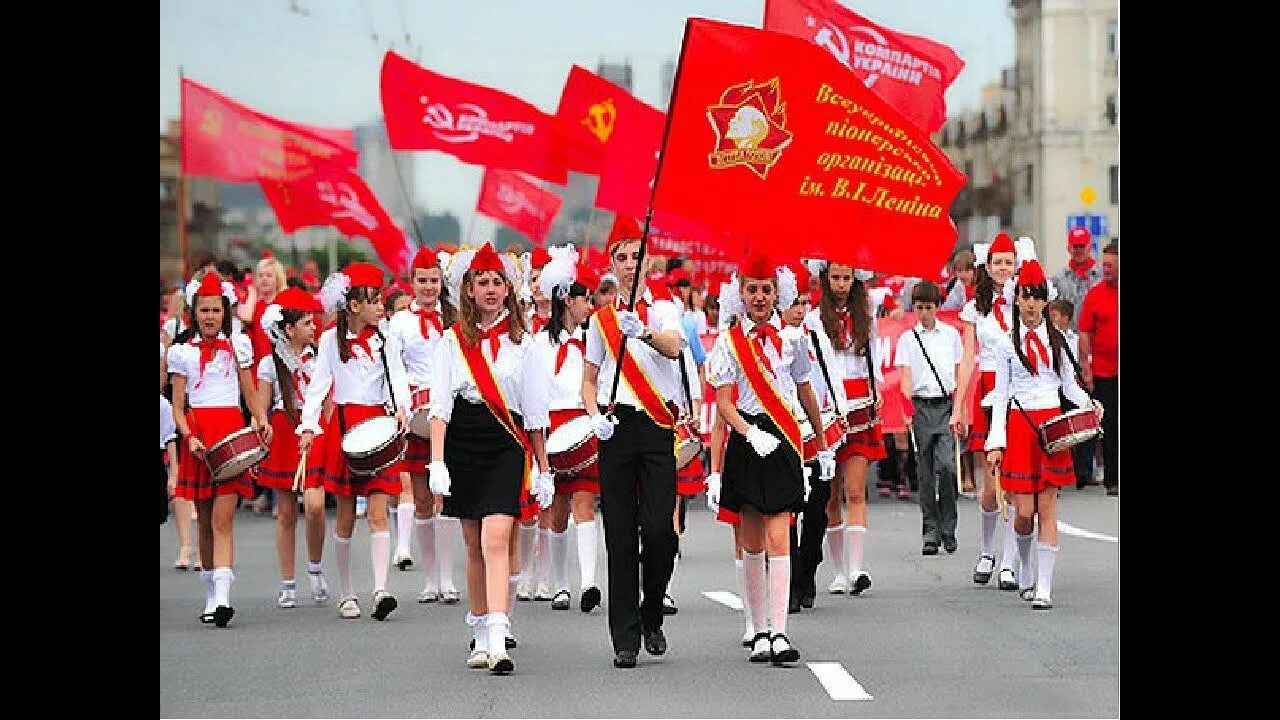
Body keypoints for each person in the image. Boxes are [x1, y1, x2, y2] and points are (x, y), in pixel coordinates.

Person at [428, 242, 554, 674]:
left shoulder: (526, 343)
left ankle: (500, 637)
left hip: (505, 442)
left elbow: (535, 411)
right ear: (468, 290)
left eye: (497, 282)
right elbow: (440, 406)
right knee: (472, 544)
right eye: (482, 282)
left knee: (495, 537)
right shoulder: (450, 340)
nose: (490, 289)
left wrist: (544, 467)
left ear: (509, 288)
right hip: (463, 438)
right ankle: (480, 632)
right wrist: (437, 462)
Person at [705, 257, 835, 665]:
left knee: (780, 535)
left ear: (777, 293)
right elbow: (723, 405)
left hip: (783, 439)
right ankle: (757, 628)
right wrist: (746, 434)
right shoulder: (728, 342)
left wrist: (823, 444)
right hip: (748, 439)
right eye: (751, 289)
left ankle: (779, 631)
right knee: (752, 540)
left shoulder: (795, 339)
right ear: (740, 294)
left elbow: (805, 390)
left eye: (765, 289)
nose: (759, 297)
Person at [581, 216, 685, 669]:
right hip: (617, 426)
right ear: (611, 265)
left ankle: (652, 609)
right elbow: (588, 379)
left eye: (635, 257)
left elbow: (675, 347)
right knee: (620, 532)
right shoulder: (601, 321)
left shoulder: (664, 308)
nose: (629, 265)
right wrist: (592, 415)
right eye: (621, 258)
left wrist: (640, 330)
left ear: (650, 262)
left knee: (661, 530)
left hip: (657, 425)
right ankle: (625, 636)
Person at [297, 262, 413, 622]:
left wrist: (403, 410)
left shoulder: (386, 339)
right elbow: (318, 385)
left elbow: (399, 379)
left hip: (378, 425)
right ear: (353, 306)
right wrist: (308, 425)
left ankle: (380, 589)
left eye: (381, 300)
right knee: (345, 516)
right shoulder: (331, 340)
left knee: (379, 511)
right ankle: (347, 593)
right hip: (345, 428)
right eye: (374, 300)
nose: (381, 307)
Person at [985, 259, 1103, 609]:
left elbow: (1070, 385)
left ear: (1045, 301)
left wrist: (1089, 404)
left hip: (1052, 426)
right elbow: (1001, 396)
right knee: (1024, 513)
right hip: (1020, 428)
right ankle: (1024, 568)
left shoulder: (1059, 340)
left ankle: (1044, 587)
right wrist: (996, 442)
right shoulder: (1005, 344)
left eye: (1037, 296)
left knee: (1047, 507)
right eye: (1026, 296)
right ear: (1016, 299)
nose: (1032, 303)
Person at [167, 271, 263, 627]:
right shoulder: (182, 353)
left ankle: (223, 599)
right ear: (194, 313)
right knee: (204, 522)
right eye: (204, 310)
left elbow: (250, 391)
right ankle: (210, 594)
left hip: (230, 438)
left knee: (223, 519)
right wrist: (188, 435)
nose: (210, 317)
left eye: (216, 310)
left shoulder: (237, 348)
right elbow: (178, 404)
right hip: (199, 440)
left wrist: (260, 418)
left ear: (225, 312)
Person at [525, 245, 603, 613]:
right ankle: (559, 584)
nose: (590, 304)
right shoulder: (538, 343)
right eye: (584, 298)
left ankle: (588, 581)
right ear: (565, 299)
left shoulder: (592, 341)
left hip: (583, 424)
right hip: (550, 427)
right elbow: (534, 395)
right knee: (556, 508)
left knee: (585, 501)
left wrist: (598, 416)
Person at [385, 248, 462, 603]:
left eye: (434, 280)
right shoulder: (399, 323)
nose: (428, 287)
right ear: (411, 282)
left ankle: (448, 578)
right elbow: (395, 368)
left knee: (445, 496)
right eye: (422, 281)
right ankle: (430, 580)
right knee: (420, 499)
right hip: (415, 414)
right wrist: (402, 406)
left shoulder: (455, 318)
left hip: (449, 416)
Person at [805, 260, 885, 596]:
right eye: (835, 277)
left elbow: (875, 356)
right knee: (830, 494)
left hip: (860, 404)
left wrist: (876, 385)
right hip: (827, 406)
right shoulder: (813, 318)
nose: (840, 284)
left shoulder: (867, 315)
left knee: (855, 489)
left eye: (846, 278)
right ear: (825, 279)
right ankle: (838, 571)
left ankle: (856, 569)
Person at [251, 287, 333, 608]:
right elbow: (261, 400)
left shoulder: (320, 356)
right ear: (289, 329)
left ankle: (314, 567)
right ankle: (288, 581)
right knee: (285, 510)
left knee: (314, 504)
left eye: (314, 323)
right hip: (284, 430)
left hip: (313, 430)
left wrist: (321, 427)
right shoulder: (271, 363)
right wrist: (262, 422)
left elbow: (327, 399)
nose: (314, 328)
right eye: (307, 324)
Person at [957, 233, 1021, 590]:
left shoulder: (1025, 300)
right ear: (988, 265)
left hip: (1020, 391)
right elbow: (968, 358)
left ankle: (1010, 561)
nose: (1003, 268)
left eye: (1008, 262)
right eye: (998, 262)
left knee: (1014, 480)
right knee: (989, 481)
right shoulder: (975, 307)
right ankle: (986, 550)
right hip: (988, 391)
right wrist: (959, 405)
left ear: (1016, 265)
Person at [895, 281, 965, 555]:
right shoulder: (907, 339)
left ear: (938, 307)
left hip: (945, 404)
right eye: (920, 308)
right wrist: (906, 409)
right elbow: (905, 376)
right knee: (924, 471)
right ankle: (930, 531)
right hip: (921, 406)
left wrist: (959, 408)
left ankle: (949, 527)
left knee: (947, 467)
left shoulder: (950, 336)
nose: (924, 313)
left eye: (929, 307)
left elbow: (959, 373)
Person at [1078, 240, 1118, 496]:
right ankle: (1113, 479)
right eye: (1103, 264)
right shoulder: (1095, 294)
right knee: (1111, 426)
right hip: (1104, 372)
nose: (1106, 269)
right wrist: (1086, 368)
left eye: (1111, 265)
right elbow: (1084, 333)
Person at [1048, 299, 1098, 489]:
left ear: (1066, 318)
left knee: (1084, 426)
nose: (1051, 320)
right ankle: (1057, 474)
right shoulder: (1047, 338)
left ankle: (1083, 470)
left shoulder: (1074, 340)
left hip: (1071, 385)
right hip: (1054, 390)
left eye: (1055, 316)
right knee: (1056, 431)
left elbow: (1080, 364)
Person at [1050, 227, 1103, 329]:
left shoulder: (1102, 277)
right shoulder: (1058, 279)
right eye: (1075, 246)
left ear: (1090, 247)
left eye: (1082, 246)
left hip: (1095, 337)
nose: (1078, 250)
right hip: (1068, 338)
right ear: (1069, 248)